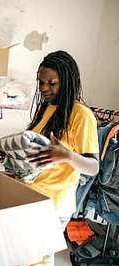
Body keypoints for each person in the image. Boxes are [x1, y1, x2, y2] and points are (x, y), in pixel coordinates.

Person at [26, 51, 99, 226]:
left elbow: (93, 167)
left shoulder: (81, 115)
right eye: (41, 82)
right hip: (30, 197)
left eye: (51, 83)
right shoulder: (46, 108)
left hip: (53, 205)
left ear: (66, 82)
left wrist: (67, 155)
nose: (44, 88)